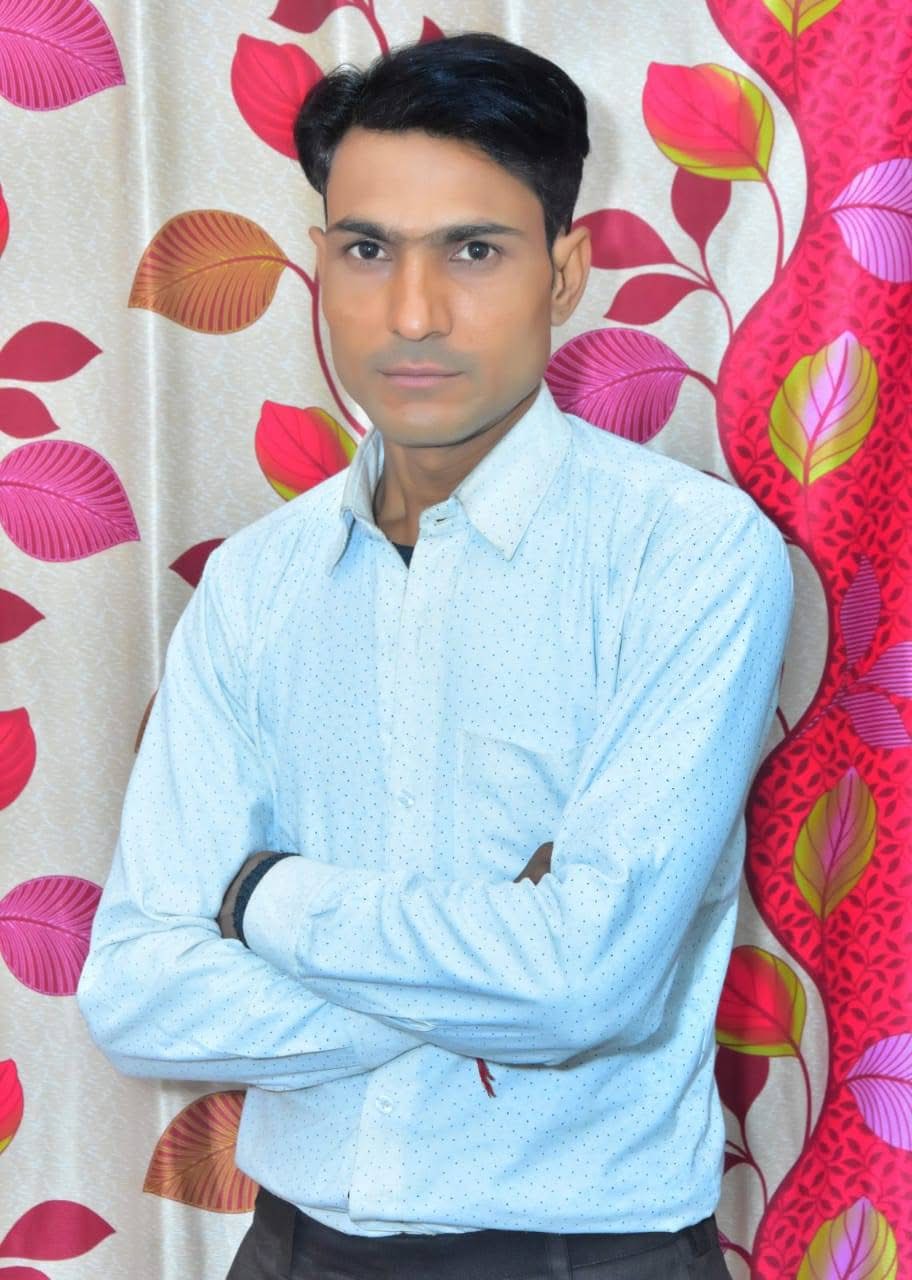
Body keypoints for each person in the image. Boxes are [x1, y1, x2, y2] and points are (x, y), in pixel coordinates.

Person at [76, 29, 793, 1280]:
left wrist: (263, 898)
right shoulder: (255, 583)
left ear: (564, 272)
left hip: (589, 1257)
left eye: (473, 249)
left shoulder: (690, 552)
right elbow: (138, 991)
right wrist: (492, 967)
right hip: (291, 1249)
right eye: (367, 250)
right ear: (318, 261)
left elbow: (585, 985)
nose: (411, 313)